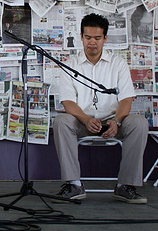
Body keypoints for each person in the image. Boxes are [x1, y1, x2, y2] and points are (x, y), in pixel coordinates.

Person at [52, 13, 148, 204]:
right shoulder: (70, 65)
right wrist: (86, 120)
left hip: (113, 121)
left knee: (139, 123)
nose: (92, 43)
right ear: (81, 37)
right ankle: (74, 184)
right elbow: (68, 102)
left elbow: (126, 99)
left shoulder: (118, 64)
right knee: (61, 121)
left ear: (105, 38)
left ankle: (125, 186)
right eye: (88, 37)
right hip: (83, 121)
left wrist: (117, 121)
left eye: (97, 38)